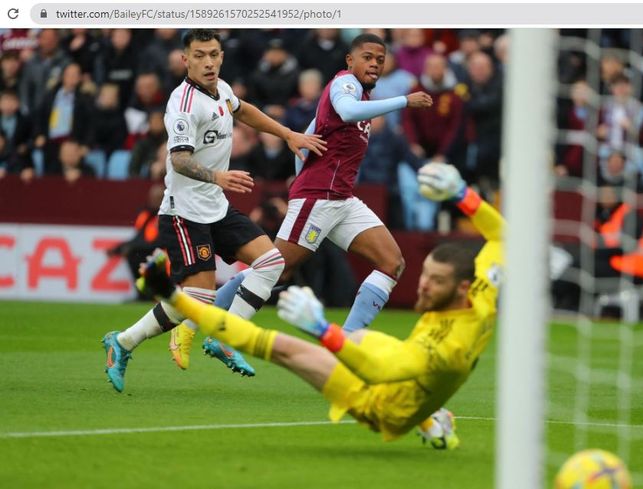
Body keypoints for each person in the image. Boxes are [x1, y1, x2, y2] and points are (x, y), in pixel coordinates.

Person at [137, 161, 503, 449]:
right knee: (289, 338)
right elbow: (503, 236)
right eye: (426, 275)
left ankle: (426, 418)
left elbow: (379, 373)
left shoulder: (448, 349)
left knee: (278, 348)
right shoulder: (483, 288)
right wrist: (462, 195)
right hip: (396, 365)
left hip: (381, 404)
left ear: (461, 289)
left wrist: (322, 330)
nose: (422, 286)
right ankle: (434, 417)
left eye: (435, 282)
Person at [190, 33, 433, 373]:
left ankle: (347, 345)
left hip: (342, 200)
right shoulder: (344, 85)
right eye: (367, 57)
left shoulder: (359, 95)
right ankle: (210, 319)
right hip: (320, 198)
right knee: (275, 268)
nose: (375, 63)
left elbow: (306, 137)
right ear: (350, 61)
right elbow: (346, 111)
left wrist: (298, 175)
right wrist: (404, 101)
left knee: (391, 262)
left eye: (380, 58)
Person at [101, 29, 326, 393]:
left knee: (271, 262)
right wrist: (217, 176)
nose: (209, 62)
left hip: (216, 207)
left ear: (222, 56)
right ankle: (123, 342)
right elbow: (178, 160)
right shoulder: (184, 104)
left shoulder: (220, 89)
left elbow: (244, 109)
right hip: (184, 212)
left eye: (214, 54)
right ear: (184, 59)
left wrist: (287, 134)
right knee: (199, 299)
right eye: (200, 55)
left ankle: (225, 338)